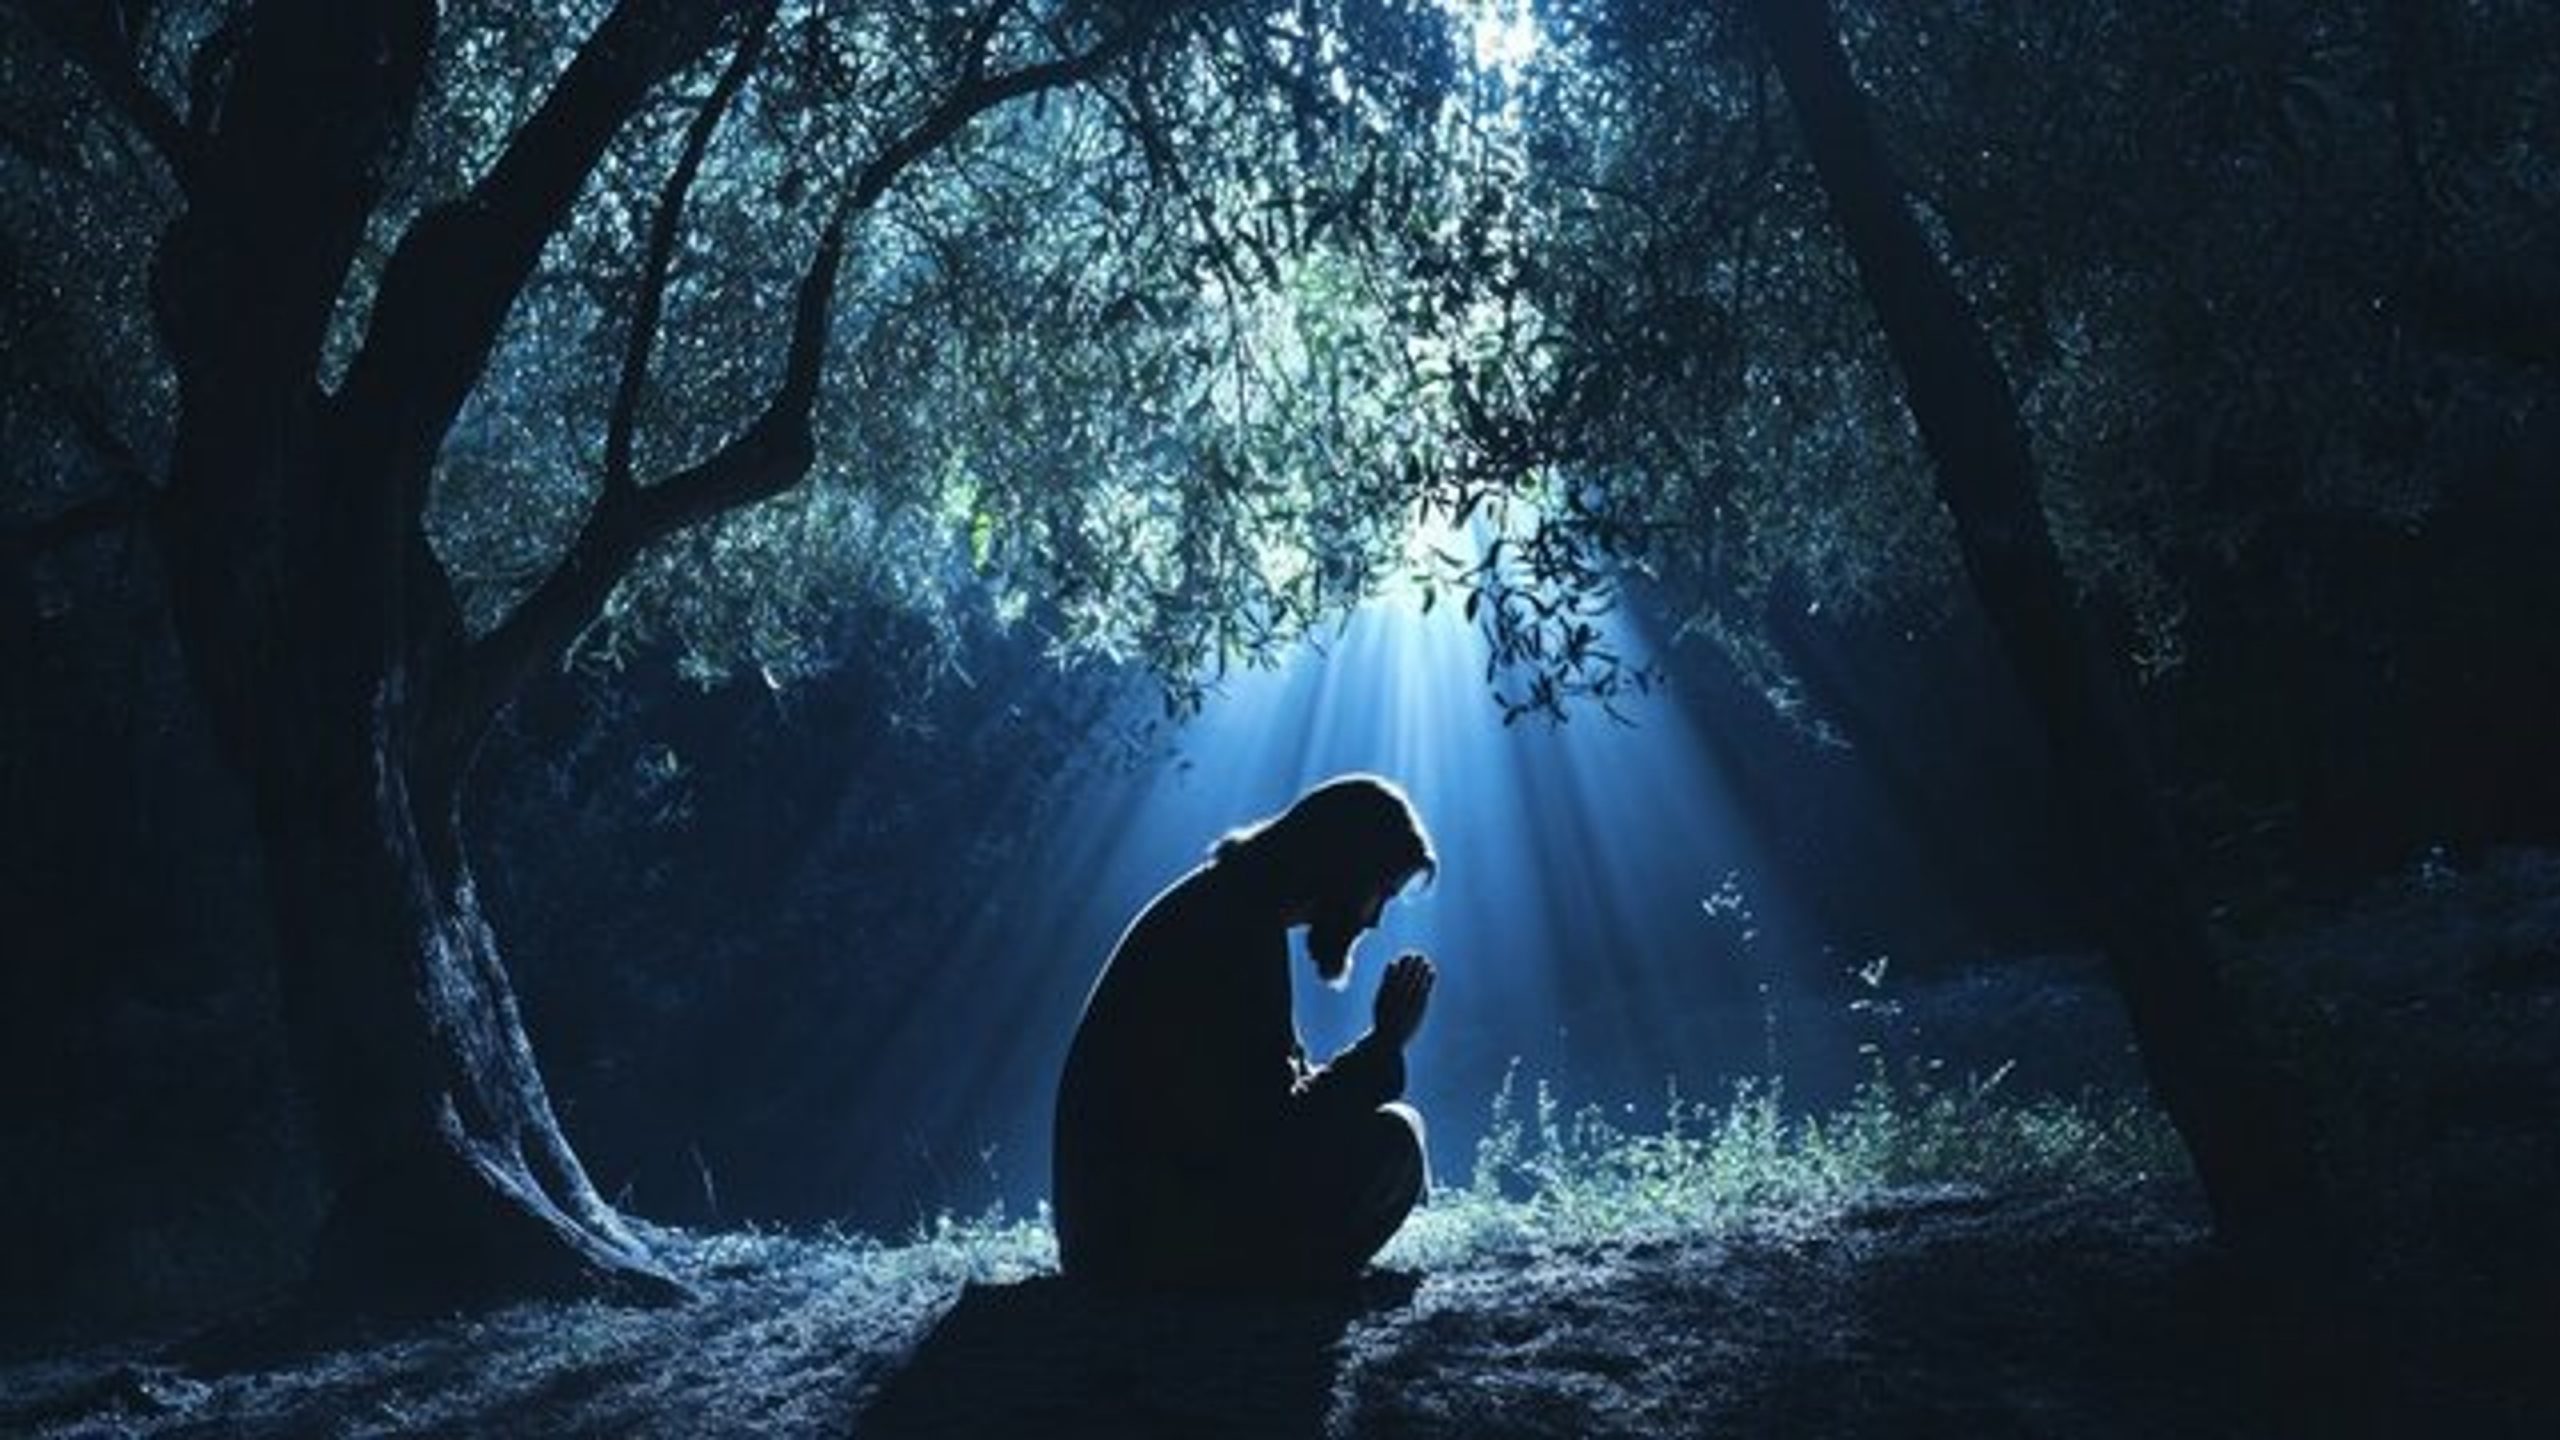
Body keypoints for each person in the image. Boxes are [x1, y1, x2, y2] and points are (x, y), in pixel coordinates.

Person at [1052, 774, 1439, 1290]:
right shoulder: (1230, 933)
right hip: (1141, 1247)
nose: (1373, 923)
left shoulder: (1230, 911)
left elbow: (1259, 1109)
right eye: (1381, 893)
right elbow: (1273, 1129)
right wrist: (1383, 1045)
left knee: (1389, 1130)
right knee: (1393, 1140)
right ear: (1347, 869)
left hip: (1118, 1235)